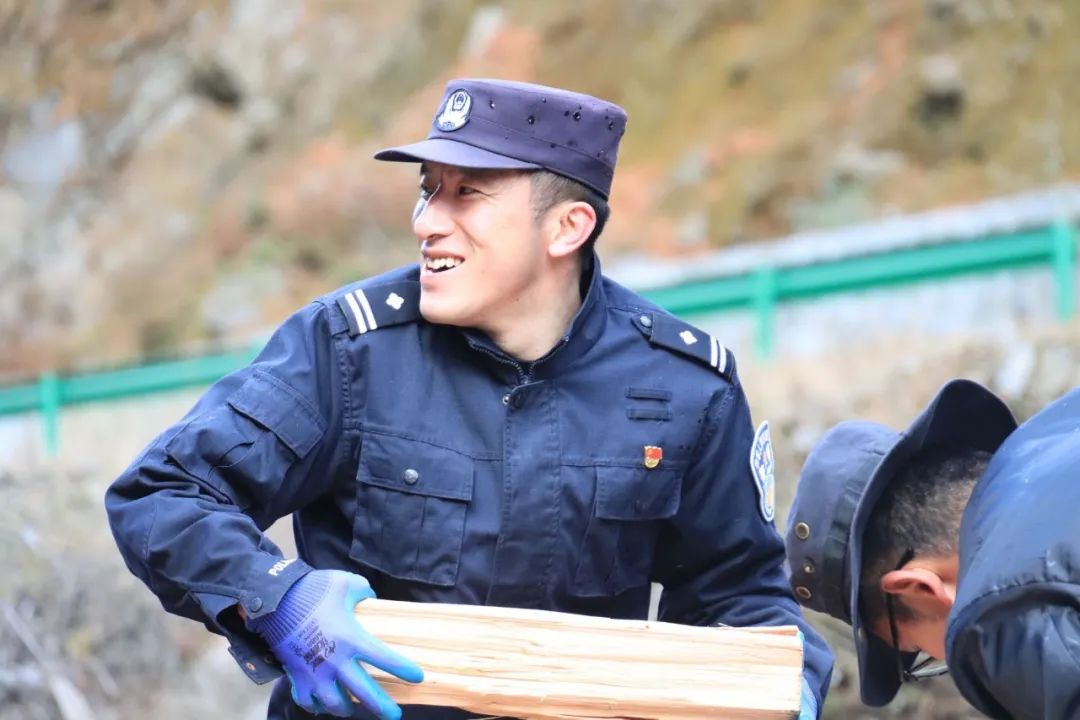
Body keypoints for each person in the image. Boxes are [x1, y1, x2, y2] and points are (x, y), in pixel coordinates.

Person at [106, 78, 832, 720]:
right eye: (428, 189)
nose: (426, 221)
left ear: (567, 227)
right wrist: (280, 599)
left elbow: (738, 592)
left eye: (467, 194)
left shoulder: (684, 385)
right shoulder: (348, 350)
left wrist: (782, 683)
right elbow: (164, 492)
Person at [784, 377, 1080, 719]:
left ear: (919, 587)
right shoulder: (1060, 423)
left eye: (919, 651)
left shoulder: (999, 615)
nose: (944, 662)